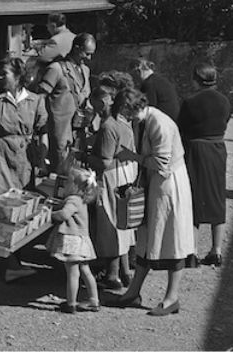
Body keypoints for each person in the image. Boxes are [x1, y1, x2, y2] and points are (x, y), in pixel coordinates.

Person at [113, 88, 196, 316]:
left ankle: (171, 298)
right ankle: (134, 292)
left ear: (136, 107)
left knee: (172, 239)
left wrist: (131, 156)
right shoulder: (142, 121)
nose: (127, 119)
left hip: (169, 185)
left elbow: (161, 162)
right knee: (146, 239)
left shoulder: (159, 122)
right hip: (154, 184)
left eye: (128, 113)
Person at [0, 56, 49, 282]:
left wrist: (43, 155)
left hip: (25, 158)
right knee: (5, 207)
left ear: (18, 77)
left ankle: (13, 257)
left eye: (4, 73)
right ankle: (11, 263)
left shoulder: (35, 101)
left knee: (23, 208)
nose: (0, 77)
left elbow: (42, 130)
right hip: (0, 157)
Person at [84, 83, 138, 289]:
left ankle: (112, 275)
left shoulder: (108, 125)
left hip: (111, 177)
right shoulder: (123, 122)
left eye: (95, 104)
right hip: (126, 174)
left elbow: (104, 161)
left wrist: (85, 156)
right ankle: (124, 273)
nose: (95, 109)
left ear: (104, 100)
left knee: (110, 225)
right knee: (122, 227)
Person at [177, 63, 231, 267]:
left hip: (197, 149)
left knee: (194, 198)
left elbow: (181, 125)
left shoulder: (190, 102)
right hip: (218, 148)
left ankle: (192, 251)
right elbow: (226, 120)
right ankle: (216, 250)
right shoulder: (224, 100)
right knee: (217, 197)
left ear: (197, 79)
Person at [33, 33, 96, 175]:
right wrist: (40, 123)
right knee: (61, 166)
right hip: (60, 128)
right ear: (77, 48)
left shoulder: (85, 71)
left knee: (77, 167)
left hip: (79, 129)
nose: (89, 58)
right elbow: (40, 98)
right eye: (87, 53)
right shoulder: (56, 69)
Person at [47, 167, 100, 313]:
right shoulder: (83, 199)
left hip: (72, 240)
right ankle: (94, 300)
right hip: (82, 240)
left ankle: (71, 303)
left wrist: (50, 214)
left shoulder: (72, 200)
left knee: (72, 272)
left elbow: (64, 214)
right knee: (85, 270)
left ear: (74, 185)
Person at [129, 58, 180, 122]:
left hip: (163, 123)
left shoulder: (149, 84)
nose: (134, 79)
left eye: (133, 75)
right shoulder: (162, 80)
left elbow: (147, 110)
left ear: (138, 71)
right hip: (173, 123)